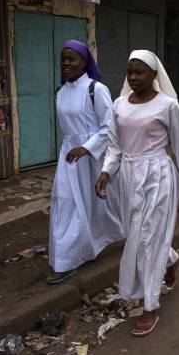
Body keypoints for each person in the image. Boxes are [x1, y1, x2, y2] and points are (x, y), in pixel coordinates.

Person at [95, 50, 179, 337]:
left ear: (155, 75)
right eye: (130, 72)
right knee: (138, 235)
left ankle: (150, 306)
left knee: (147, 238)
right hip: (128, 179)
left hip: (158, 176)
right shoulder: (119, 105)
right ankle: (170, 259)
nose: (133, 77)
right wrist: (106, 172)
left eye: (139, 72)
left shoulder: (168, 106)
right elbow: (115, 146)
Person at [47, 40, 124, 285]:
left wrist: (87, 148)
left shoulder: (96, 89)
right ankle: (65, 261)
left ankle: (104, 241)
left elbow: (109, 126)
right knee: (66, 204)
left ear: (84, 61)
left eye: (73, 59)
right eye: (64, 59)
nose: (67, 63)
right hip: (69, 158)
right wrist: (73, 148)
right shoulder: (60, 92)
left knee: (98, 205)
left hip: (93, 158)